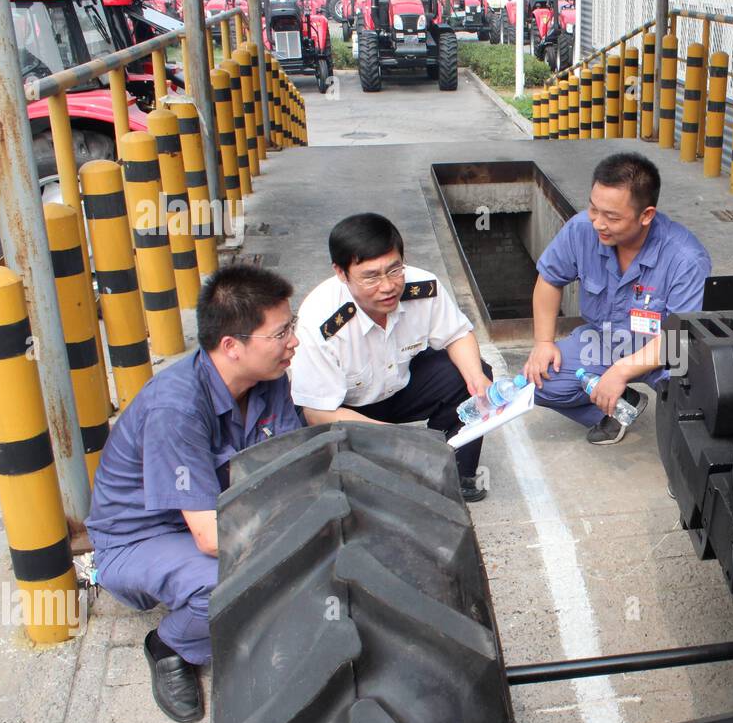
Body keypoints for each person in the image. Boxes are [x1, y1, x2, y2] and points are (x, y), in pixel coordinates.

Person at [86, 264, 303, 723]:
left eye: (292, 326)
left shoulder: (271, 378)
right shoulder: (177, 406)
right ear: (231, 346)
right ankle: (170, 646)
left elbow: (289, 465)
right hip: (140, 537)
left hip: (212, 511)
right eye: (281, 332)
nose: (293, 341)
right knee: (223, 580)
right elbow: (208, 537)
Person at [289, 212, 493, 500]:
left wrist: (478, 382)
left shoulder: (423, 288)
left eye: (394, 270)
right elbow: (317, 412)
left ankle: (454, 475)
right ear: (341, 273)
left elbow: (457, 335)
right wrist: (401, 441)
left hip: (399, 387)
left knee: (470, 376)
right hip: (344, 409)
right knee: (354, 494)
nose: (387, 286)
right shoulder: (321, 321)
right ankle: (402, 464)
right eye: (370, 276)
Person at [524, 152, 711, 444]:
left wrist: (620, 371)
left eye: (612, 217)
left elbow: (677, 339)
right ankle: (618, 408)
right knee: (537, 381)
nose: (598, 223)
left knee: (689, 421)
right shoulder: (581, 230)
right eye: (593, 209)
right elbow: (549, 280)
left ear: (646, 215)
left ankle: (663, 420)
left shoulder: (685, 258)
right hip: (604, 341)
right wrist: (543, 343)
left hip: (664, 355)